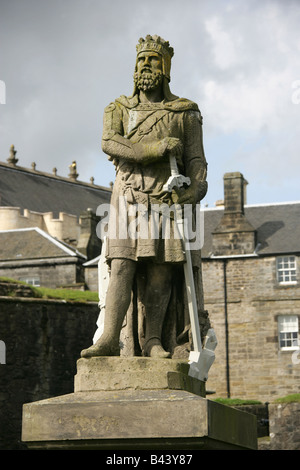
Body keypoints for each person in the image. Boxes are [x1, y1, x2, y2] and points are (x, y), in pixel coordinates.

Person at [81, 35, 210, 359]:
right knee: (122, 264)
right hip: (128, 196)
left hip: (167, 199)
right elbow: (110, 142)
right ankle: (110, 337)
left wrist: (195, 190)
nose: (146, 65)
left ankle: (153, 339)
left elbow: (196, 160)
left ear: (165, 67)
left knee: (160, 271)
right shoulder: (119, 108)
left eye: (153, 60)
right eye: (141, 60)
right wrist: (155, 148)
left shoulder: (185, 112)